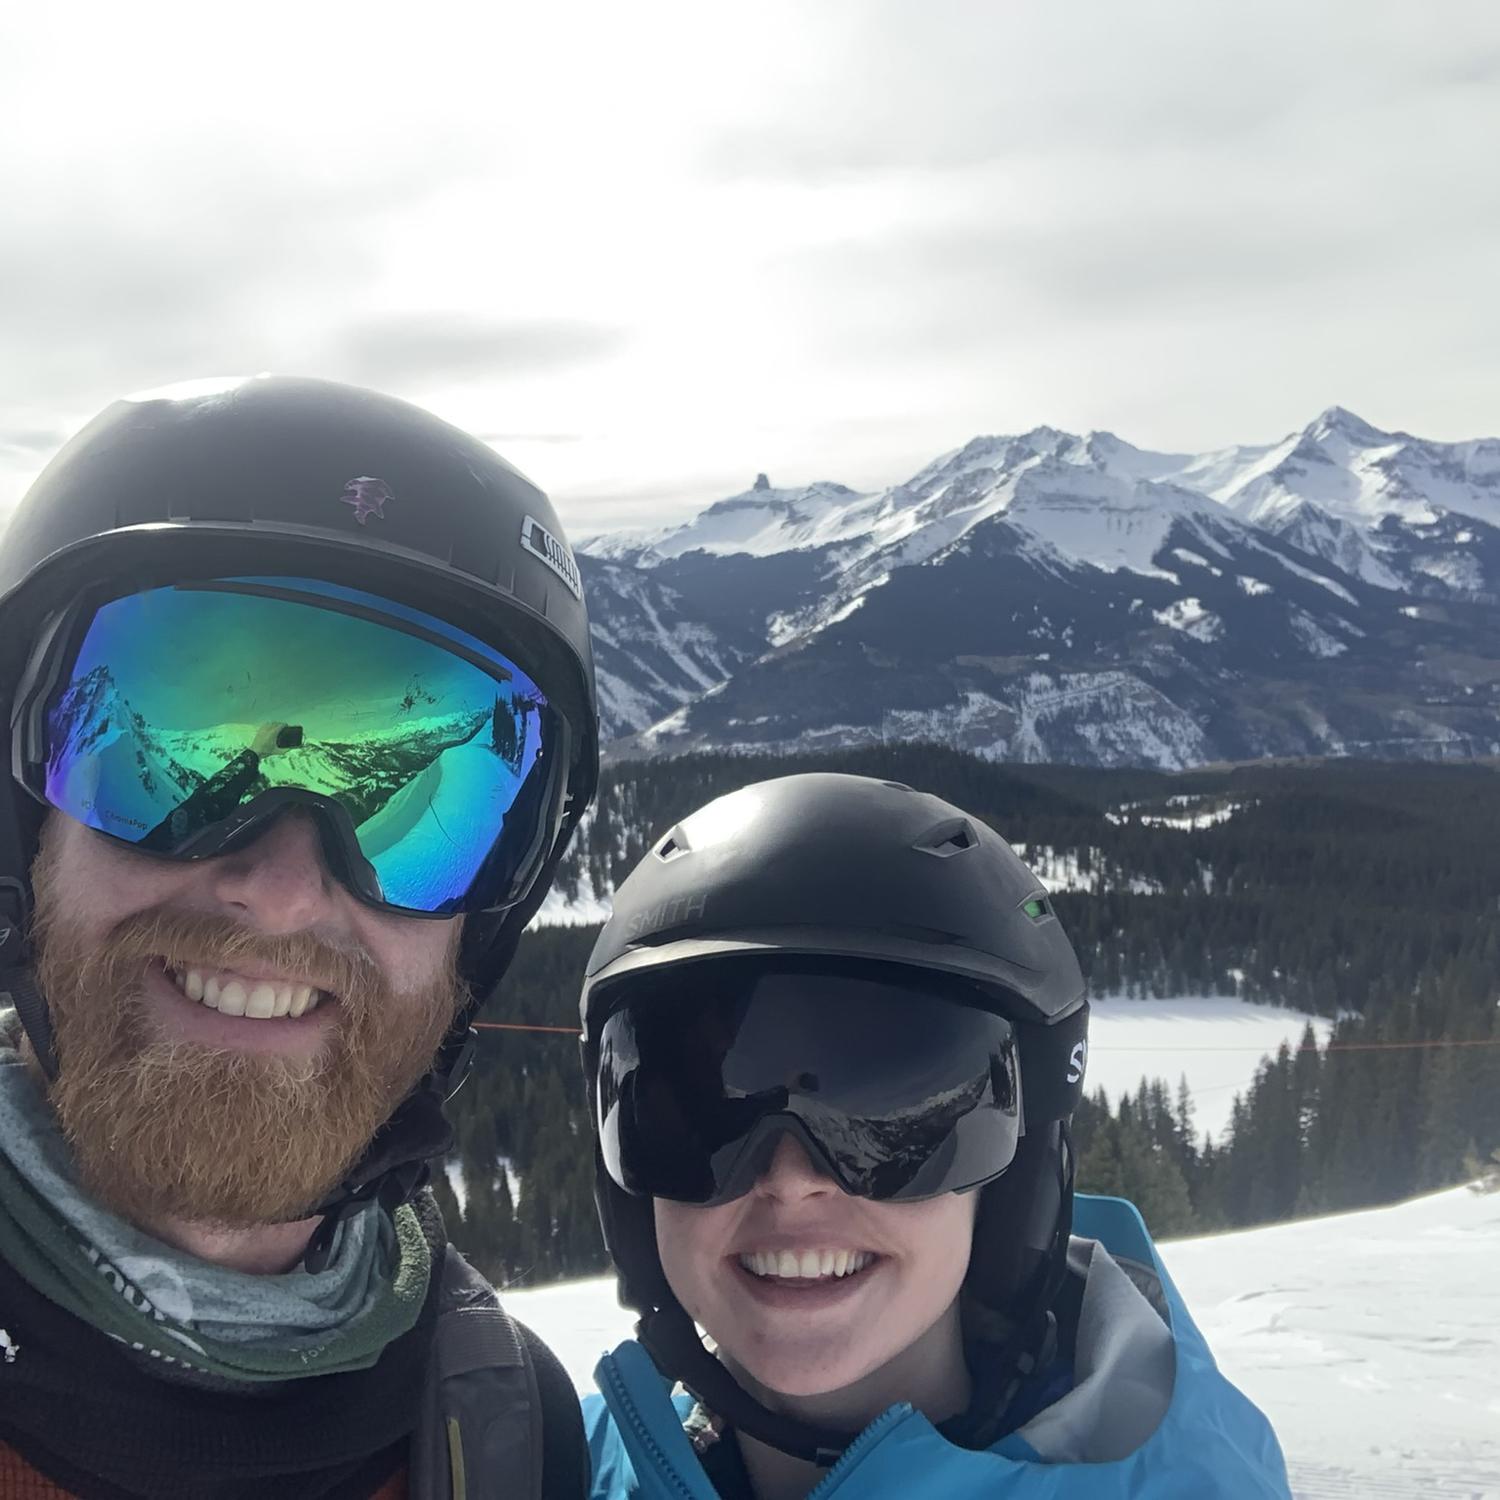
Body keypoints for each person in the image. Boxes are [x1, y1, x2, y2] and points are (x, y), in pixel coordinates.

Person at [0, 375, 600, 1499]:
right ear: (20, 840)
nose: (280, 892)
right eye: (161, 769)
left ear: (484, 932)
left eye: (425, 824)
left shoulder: (505, 1434)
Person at [577, 774, 1292, 1499]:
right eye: (708, 1108)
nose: (791, 1180)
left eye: (892, 1112)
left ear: (1018, 1179)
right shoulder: (539, 1458)